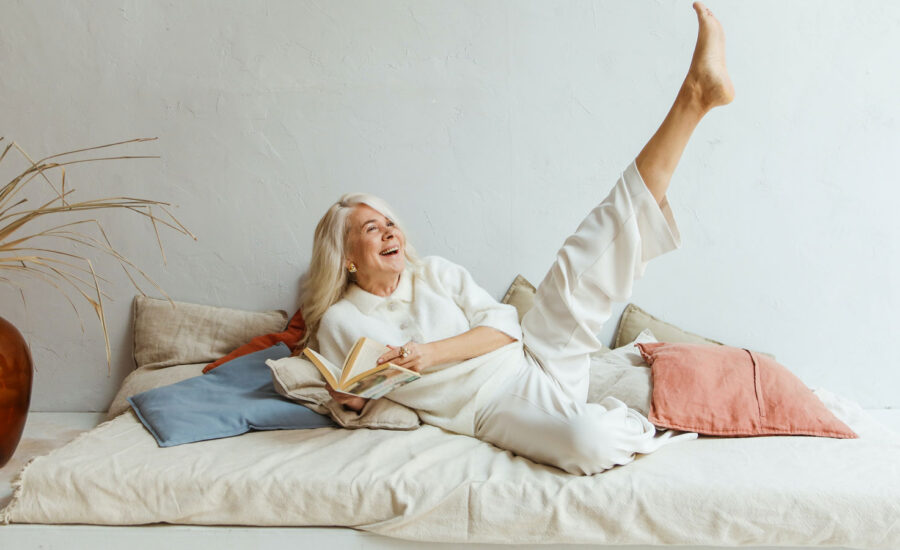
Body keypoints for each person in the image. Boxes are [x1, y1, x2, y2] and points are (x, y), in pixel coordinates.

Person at [299, 2, 734, 475]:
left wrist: (427, 355)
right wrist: (349, 400)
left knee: (580, 263)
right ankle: (626, 424)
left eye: (389, 222)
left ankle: (695, 98)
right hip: (491, 407)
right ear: (347, 258)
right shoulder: (338, 322)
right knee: (587, 443)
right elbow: (359, 401)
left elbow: (504, 327)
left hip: (531, 352)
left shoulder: (435, 273)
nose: (389, 231)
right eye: (371, 228)